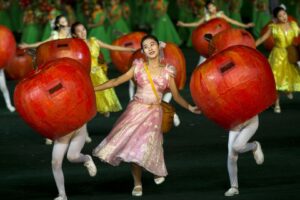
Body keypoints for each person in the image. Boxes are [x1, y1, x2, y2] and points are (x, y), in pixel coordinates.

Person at [93, 35, 201, 196]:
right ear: (142, 51)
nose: (150, 48)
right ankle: (137, 183)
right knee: (134, 147)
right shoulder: (137, 67)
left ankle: (156, 169)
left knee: (150, 143)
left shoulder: (167, 72)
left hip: (154, 113)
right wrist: (93, 89)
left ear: (158, 47)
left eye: (152, 44)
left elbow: (176, 95)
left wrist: (190, 107)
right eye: (146, 46)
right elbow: (116, 81)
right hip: (136, 110)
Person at [20, 15, 91, 144]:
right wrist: (30, 46)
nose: (65, 23)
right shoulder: (54, 36)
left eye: (66, 21)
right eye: (62, 21)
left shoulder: (72, 35)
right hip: (56, 73)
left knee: (78, 101)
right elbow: (43, 45)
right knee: (53, 104)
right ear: (58, 24)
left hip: (71, 72)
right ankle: (52, 133)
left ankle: (82, 133)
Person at [71, 22, 135, 117]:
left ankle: (102, 108)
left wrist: (128, 50)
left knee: (104, 100)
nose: (83, 32)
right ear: (74, 35)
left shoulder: (94, 41)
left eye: (83, 29)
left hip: (98, 72)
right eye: (79, 31)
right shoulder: (76, 46)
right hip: (86, 73)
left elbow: (111, 47)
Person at [177, 0, 254, 65]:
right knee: (206, 56)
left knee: (222, 55)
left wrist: (245, 25)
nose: (212, 9)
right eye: (210, 8)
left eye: (213, 7)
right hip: (209, 41)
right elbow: (196, 24)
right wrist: (183, 24)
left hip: (220, 39)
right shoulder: (207, 16)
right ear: (208, 9)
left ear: (216, 7)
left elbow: (232, 21)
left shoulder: (220, 14)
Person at [255, 6, 300, 113]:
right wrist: (253, 45)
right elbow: (262, 38)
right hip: (277, 56)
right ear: (276, 18)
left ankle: (287, 90)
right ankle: (277, 104)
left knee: (291, 75)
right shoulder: (273, 28)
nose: (283, 17)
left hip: (290, 54)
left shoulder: (293, 25)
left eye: (284, 14)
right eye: (280, 16)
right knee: (276, 80)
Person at [51, 127, 97, 200]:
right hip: (62, 131)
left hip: (78, 129)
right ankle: (62, 195)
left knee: (72, 157)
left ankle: (86, 159)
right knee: (55, 163)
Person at [224, 115, 264, 196]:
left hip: (251, 121)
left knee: (237, 146)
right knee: (231, 156)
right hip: (235, 122)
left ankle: (254, 146)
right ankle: (234, 187)